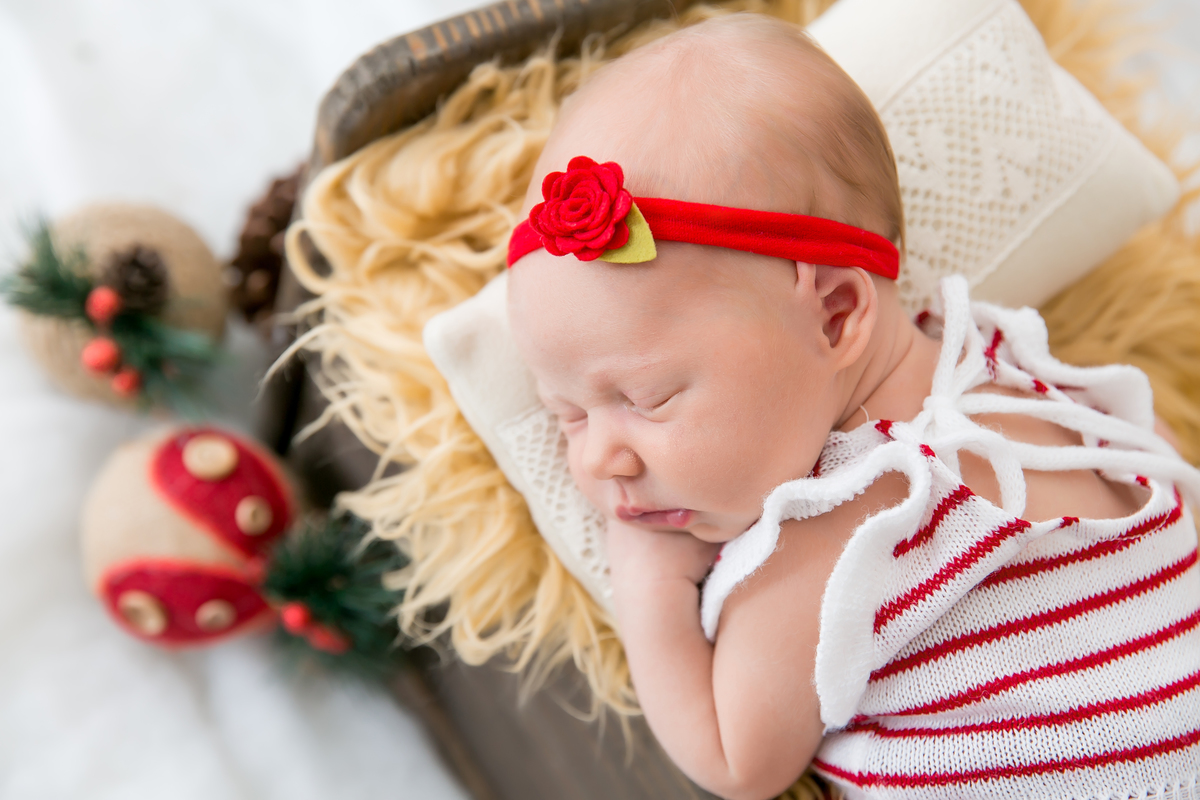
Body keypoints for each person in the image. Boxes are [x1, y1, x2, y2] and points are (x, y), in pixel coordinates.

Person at [505, 13, 1200, 800]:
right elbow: (1159, 450)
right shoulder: (1009, 368)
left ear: (836, 313)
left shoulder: (837, 533)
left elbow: (738, 760)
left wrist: (649, 589)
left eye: (646, 397)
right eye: (564, 414)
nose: (596, 457)